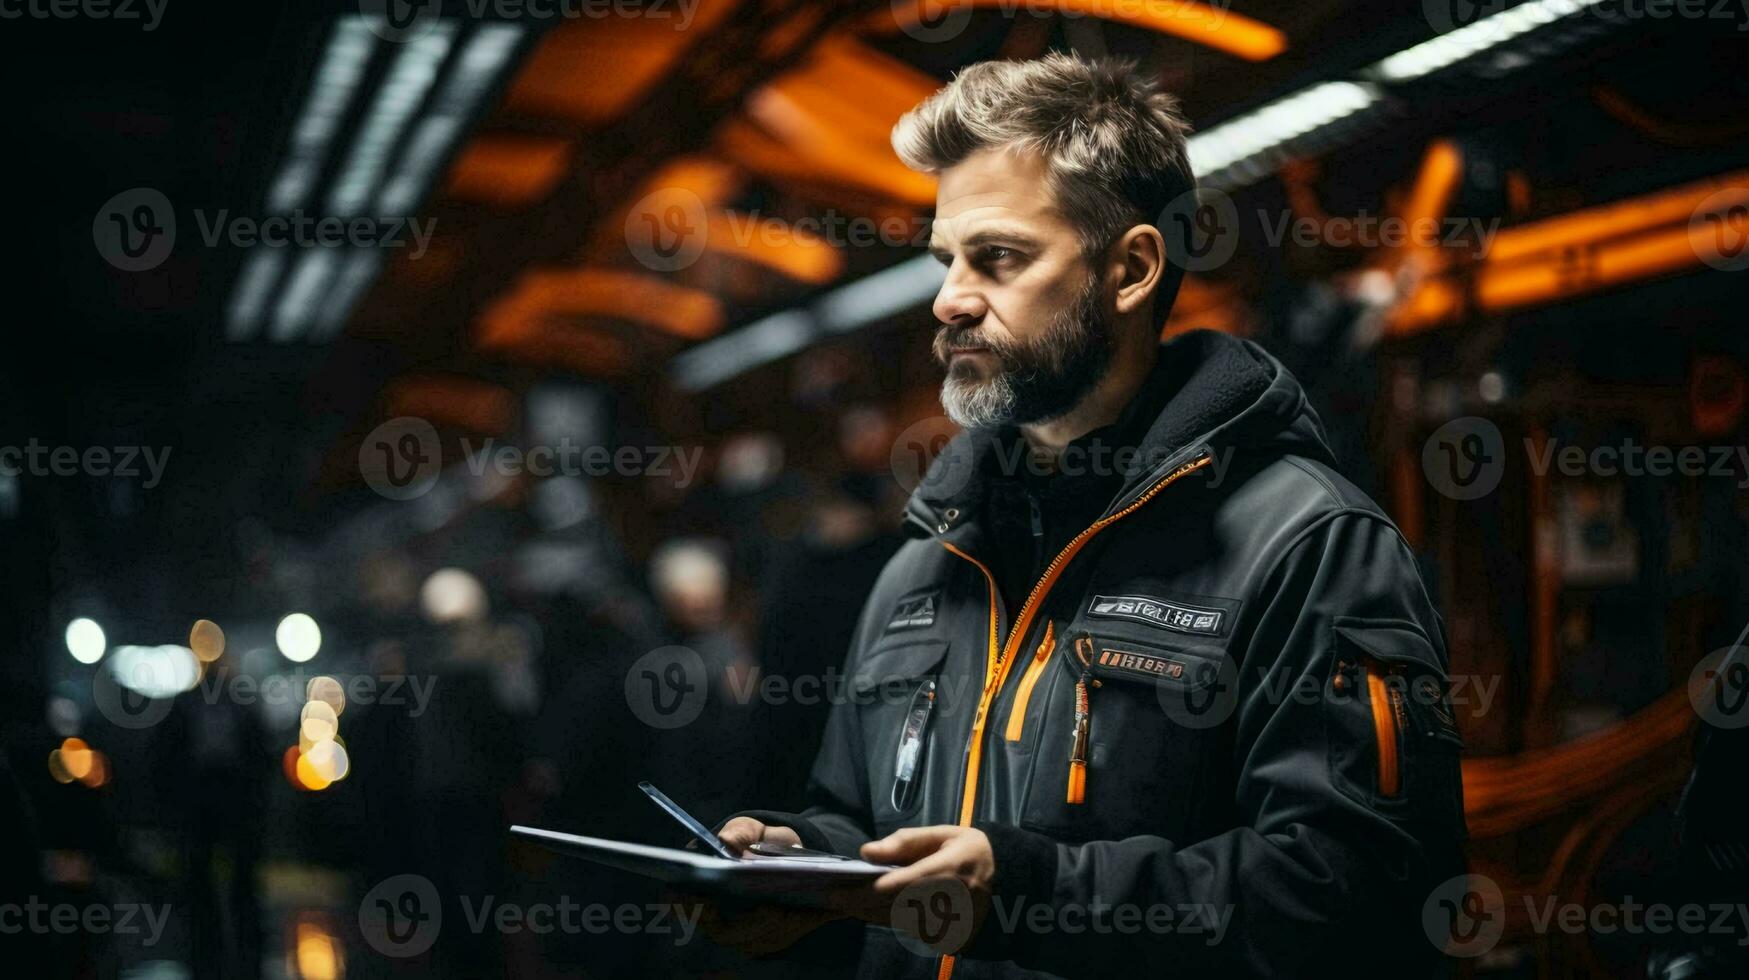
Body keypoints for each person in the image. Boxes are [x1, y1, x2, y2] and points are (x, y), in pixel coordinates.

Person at [707, 53, 1467, 978]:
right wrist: (802, 860)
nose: (949, 299)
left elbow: (1359, 898)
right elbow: (859, 814)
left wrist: (1031, 892)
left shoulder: (1306, 547)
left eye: (999, 258)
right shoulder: (929, 557)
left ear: (1132, 268)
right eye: (947, 261)